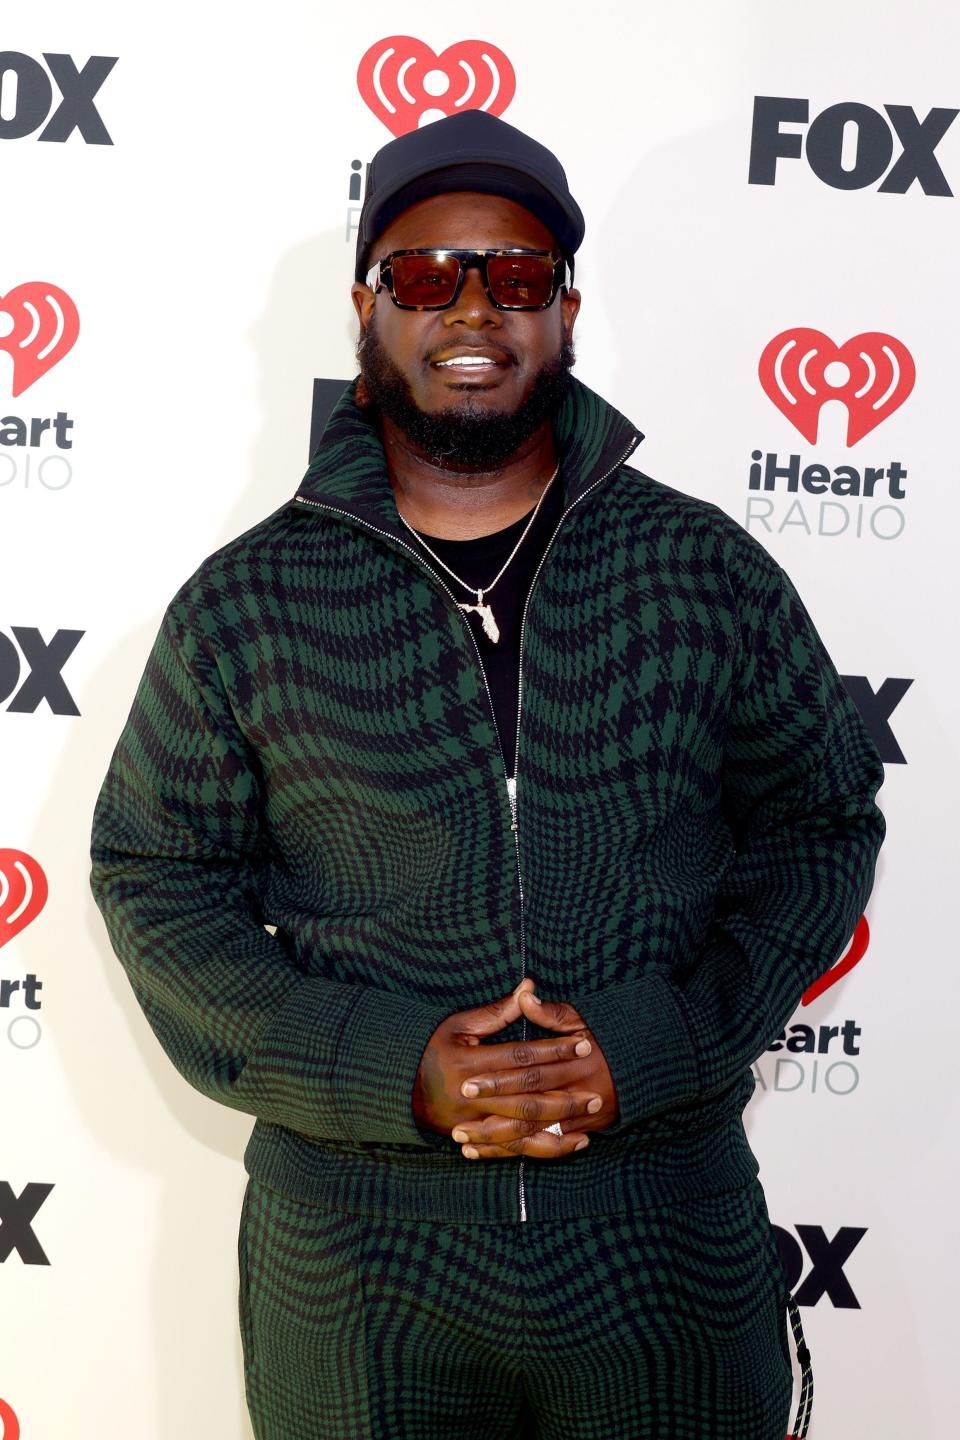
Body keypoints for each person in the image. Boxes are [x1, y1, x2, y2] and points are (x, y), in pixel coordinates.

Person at [89, 109, 885, 1440]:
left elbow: (817, 819)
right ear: (365, 308)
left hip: (660, 1240)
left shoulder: (704, 571)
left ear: (564, 309)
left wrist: (666, 1042)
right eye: (424, 272)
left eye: (515, 275)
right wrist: (387, 1064)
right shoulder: (249, 603)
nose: (472, 304)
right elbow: (158, 878)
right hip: (356, 1266)